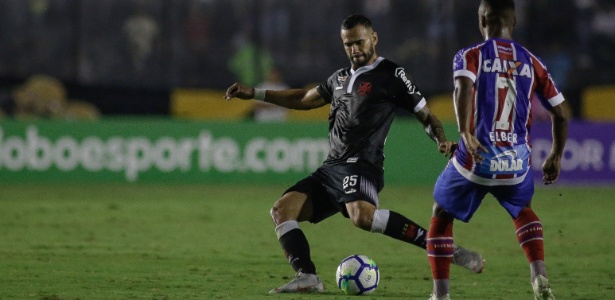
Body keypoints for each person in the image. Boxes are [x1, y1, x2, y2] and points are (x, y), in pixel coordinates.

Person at [225, 14, 484, 294]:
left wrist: (441, 140)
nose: (354, 49)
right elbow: (302, 99)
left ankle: (443, 247)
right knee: (281, 210)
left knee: (362, 217)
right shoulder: (339, 77)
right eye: (348, 44)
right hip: (331, 169)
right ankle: (308, 277)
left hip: (362, 164)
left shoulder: (392, 75)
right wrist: (255, 93)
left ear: (373, 38)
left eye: (359, 42)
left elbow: (427, 116)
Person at [425, 1, 568, 300]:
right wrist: (555, 155)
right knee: (523, 209)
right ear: (513, 20)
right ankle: (539, 276)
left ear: (481, 19)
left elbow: (462, 88)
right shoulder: (533, 62)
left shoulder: (470, 55)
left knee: (441, 213)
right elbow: (561, 114)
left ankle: (440, 295)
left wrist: (465, 132)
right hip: (515, 161)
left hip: (476, 156)